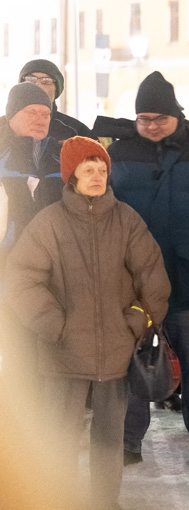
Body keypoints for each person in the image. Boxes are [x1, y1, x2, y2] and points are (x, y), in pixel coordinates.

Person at [6, 136, 170, 509]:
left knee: (109, 441)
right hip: (63, 355)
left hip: (115, 353)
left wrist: (138, 320)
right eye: (87, 169)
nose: (96, 176)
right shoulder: (49, 223)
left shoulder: (127, 220)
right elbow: (20, 278)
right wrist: (53, 324)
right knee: (61, 439)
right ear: (71, 176)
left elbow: (153, 276)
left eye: (101, 170)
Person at [94, 71, 189, 470]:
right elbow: (103, 211)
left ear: (177, 114)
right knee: (133, 362)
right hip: (133, 284)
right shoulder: (119, 154)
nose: (152, 126)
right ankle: (129, 442)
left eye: (160, 118)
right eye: (144, 119)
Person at [0, 82, 65, 389]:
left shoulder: (60, 153)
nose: (41, 118)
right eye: (31, 112)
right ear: (12, 114)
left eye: (45, 113)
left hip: (52, 270)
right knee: (15, 350)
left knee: (47, 351)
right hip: (8, 268)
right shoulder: (2, 151)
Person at [18, 59, 94, 140]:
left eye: (46, 81)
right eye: (31, 80)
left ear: (57, 89)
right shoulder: (4, 129)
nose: (38, 86)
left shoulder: (76, 132)